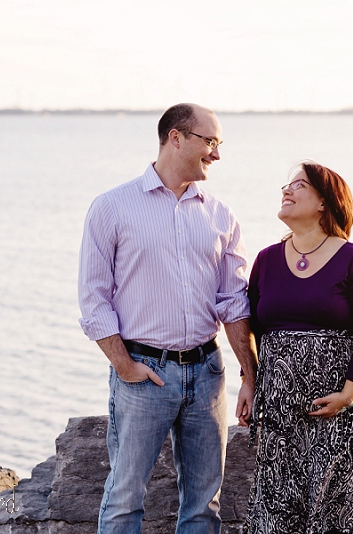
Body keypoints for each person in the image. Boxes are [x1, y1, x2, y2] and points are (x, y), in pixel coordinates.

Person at [78, 103, 258, 534]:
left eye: (219, 144)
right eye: (210, 142)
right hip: (144, 374)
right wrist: (125, 367)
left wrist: (249, 375)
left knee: (203, 504)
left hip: (207, 374)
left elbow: (234, 301)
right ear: (175, 138)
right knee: (124, 498)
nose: (217, 154)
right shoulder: (112, 208)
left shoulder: (221, 216)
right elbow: (93, 300)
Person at [243, 162, 353, 534]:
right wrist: (249, 382)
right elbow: (254, 331)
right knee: (274, 512)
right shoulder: (266, 260)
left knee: (331, 518)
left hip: (342, 409)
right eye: (285, 185)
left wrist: (349, 394)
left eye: (299, 185)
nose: (286, 191)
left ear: (325, 202)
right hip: (279, 411)